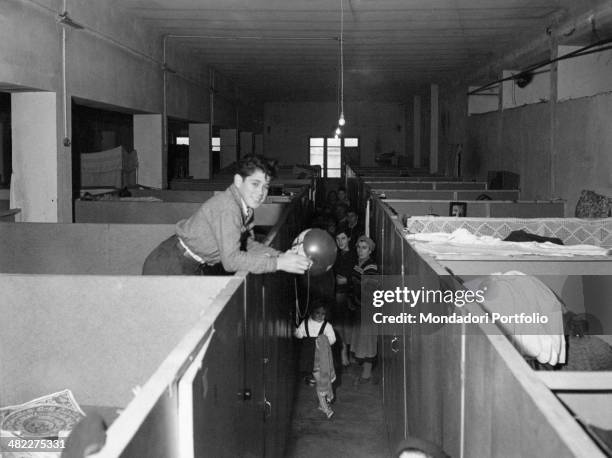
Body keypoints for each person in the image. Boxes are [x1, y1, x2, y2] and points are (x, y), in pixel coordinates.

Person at [142, 154, 311, 275]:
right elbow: (231, 261)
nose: (261, 192)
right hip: (169, 263)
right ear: (238, 181)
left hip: (189, 262)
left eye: (265, 186)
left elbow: (247, 245)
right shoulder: (229, 207)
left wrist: (279, 255)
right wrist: (278, 263)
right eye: (255, 184)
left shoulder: (244, 207)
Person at [295, 302, 337, 419]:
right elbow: (298, 334)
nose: (321, 316)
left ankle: (321, 403)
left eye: (324, 314)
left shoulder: (327, 326)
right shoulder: (305, 323)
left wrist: (323, 341)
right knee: (321, 382)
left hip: (322, 358)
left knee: (324, 379)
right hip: (310, 359)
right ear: (311, 313)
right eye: (318, 313)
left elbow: (332, 340)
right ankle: (324, 407)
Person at [349, 235, 379, 384]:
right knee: (361, 338)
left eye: (364, 248)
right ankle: (362, 365)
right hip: (359, 306)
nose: (361, 251)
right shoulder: (359, 263)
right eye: (359, 247)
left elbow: (369, 290)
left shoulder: (371, 267)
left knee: (368, 340)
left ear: (370, 250)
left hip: (368, 309)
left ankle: (367, 372)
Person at [332, 228, 358, 366]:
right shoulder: (335, 255)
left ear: (348, 239)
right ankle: (343, 351)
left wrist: (347, 279)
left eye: (342, 238)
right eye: (337, 239)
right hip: (337, 293)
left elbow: (360, 274)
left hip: (350, 294)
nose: (340, 242)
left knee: (349, 325)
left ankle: (349, 352)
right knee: (339, 324)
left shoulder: (354, 255)